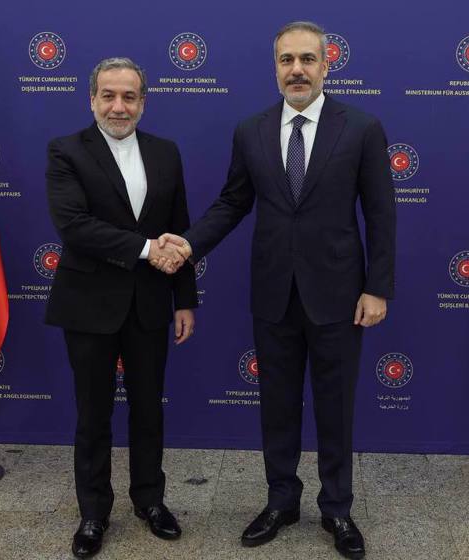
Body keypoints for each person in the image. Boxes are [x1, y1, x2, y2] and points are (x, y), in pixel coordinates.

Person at [157, 21, 396, 560]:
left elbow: (381, 214)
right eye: (287, 60)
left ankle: (337, 508)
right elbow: (232, 202)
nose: (297, 70)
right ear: (275, 68)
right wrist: (189, 245)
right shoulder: (252, 130)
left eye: (307, 59)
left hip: (339, 296)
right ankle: (281, 500)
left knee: (335, 408)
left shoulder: (360, 127)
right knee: (278, 406)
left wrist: (378, 287)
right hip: (272, 294)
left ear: (327, 65)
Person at [44, 57, 197, 559]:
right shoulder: (67, 151)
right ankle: (93, 512)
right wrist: (147, 249)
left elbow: (180, 228)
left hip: (151, 304)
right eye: (108, 95)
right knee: (93, 412)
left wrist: (185, 301)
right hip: (88, 305)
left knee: (149, 409)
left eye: (129, 96)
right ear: (91, 99)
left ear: (143, 102)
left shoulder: (166, 153)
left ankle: (150, 501)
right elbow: (74, 226)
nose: (118, 106)